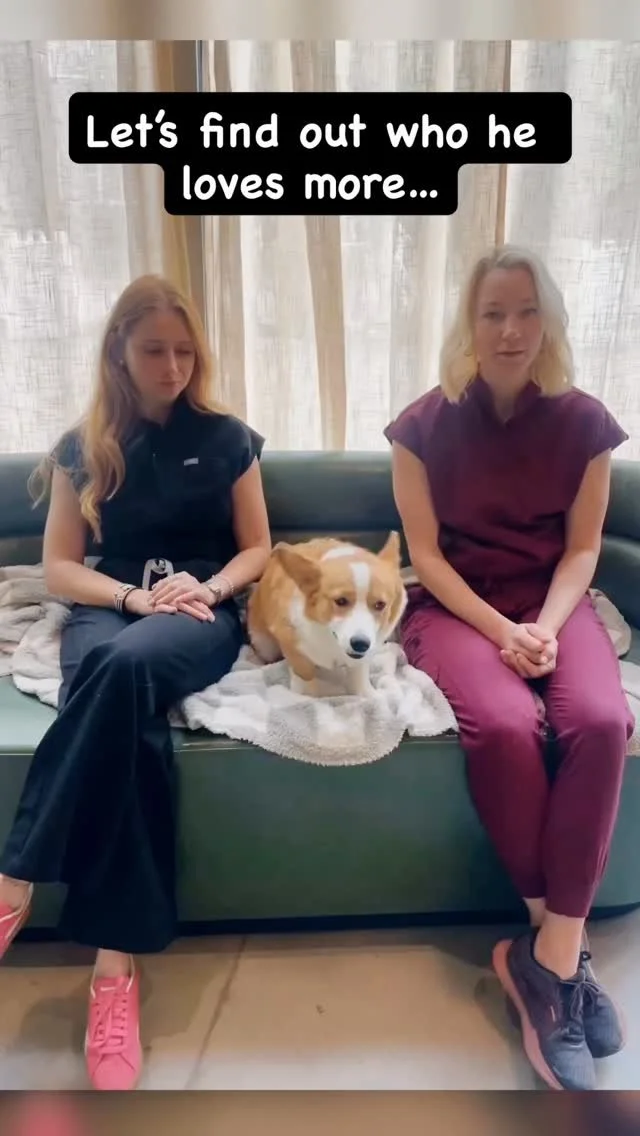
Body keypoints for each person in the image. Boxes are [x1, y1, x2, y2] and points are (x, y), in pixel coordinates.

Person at [0, 275, 272, 1090]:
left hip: (197, 614)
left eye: (185, 351)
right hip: (110, 606)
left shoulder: (228, 438)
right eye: (154, 350)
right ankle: (113, 976)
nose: (173, 366)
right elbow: (59, 568)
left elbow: (258, 547)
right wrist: (127, 597)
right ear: (118, 351)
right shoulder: (84, 446)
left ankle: (14, 875)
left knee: (120, 669)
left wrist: (209, 588)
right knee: (134, 729)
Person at [384, 246, 634, 1092]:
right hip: (457, 605)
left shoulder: (586, 423)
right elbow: (424, 556)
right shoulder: (419, 427)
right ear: (469, 323)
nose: (510, 329)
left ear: (548, 321)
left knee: (602, 720)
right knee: (502, 723)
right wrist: (502, 631)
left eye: (527, 311)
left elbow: (584, 548)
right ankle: (561, 955)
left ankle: (550, 957)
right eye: (493, 312)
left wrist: (548, 627)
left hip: (552, 601)